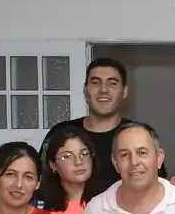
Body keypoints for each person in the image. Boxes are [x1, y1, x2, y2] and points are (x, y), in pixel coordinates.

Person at [44, 57, 150, 201]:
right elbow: (39, 184)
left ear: (124, 91)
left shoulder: (137, 135)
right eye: (95, 82)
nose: (103, 90)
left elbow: (155, 186)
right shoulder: (61, 133)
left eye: (112, 83)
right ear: (85, 90)